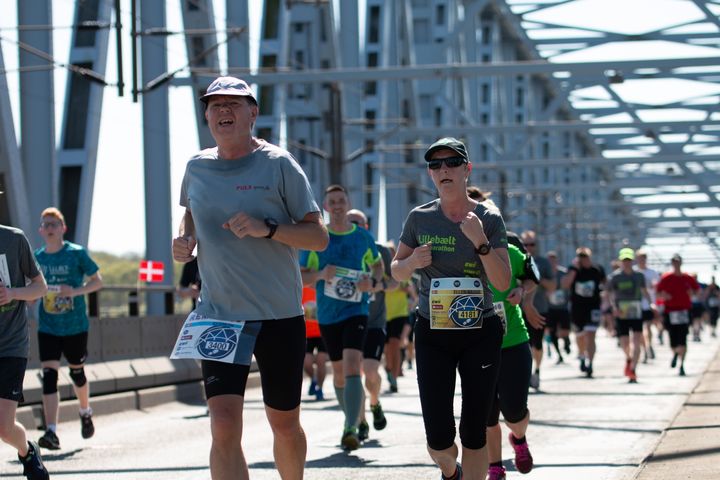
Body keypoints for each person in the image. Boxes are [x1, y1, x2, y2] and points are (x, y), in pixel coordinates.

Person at [172, 75, 328, 480]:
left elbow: (318, 235)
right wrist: (184, 240)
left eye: (234, 104)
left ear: (253, 114)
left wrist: (269, 228)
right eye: (215, 105)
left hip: (278, 315)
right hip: (218, 314)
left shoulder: (278, 164)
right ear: (206, 115)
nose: (223, 111)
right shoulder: (196, 166)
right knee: (222, 425)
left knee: (284, 424)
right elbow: (190, 214)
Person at [391, 137, 511, 480]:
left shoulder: (488, 217)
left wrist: (481, 244)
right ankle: (450, 471)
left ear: (466, 170)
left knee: (474, 432)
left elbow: (503, 284)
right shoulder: (420, 218)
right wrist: (411, 261)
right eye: (435, 165)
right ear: (430, 174)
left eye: (451, 163)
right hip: (433, 332)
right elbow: (395, 270)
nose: (443, 169)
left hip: (480, 332)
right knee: (439, 441)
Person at [299, 186, 384, 451]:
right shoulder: (318, 239)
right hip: (327, 314)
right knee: (338, 373)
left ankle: (350, 427)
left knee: (351, 364)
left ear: (348, 204)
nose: (337, 205)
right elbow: (302, 276)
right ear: (325, 205)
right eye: (332, 201)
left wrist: (373, 281)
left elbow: (378, 265)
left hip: (356, 310)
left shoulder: (362, 237)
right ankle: (352, 419)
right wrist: (321, 274)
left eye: (341, 201)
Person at [34, 207, 103, 450]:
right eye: (46, 225)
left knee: (77, 373)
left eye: (54, 224)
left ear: (63, 228)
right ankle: (51, 431)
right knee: (49, 376)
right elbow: (32, 288)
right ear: (40, 230)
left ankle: (85, 411)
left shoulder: (76, 254)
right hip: (48, 325)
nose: (50, 228)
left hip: (75, 325)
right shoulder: (38, 258)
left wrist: (74, 291)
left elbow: (97, 281)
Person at [0, 206, 50, 479]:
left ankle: (27, 451)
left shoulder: (14, 239)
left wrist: (12, 293)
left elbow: (40, 287)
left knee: (4, 428)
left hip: (10, 344)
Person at [486, 243, 539, 480]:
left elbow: (533, 277)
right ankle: (495, 467)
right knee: (486, 413)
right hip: (476, 347)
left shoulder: (507, 251)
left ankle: (519, 438)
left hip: (513, 341)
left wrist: (522, 291)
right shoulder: (459, 250)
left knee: (514, 412)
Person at [346, 208, 394, 441]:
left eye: (359, 223)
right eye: (350, 223)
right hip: (348, 319)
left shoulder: (381, 251)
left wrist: (376, 286)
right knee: (353, 374)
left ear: (366, 226)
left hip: (374, 321)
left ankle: (374, 403)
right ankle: (361, 421)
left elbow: (396, 283)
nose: (354, 226)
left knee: (371, 372)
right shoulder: (340, 249)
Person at [605, 248, 651, 383]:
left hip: (636, 311)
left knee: (637, 341)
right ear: (620, 261)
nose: (627, 263)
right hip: (622, 312)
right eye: (624, 260)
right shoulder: (615, 277)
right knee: (625, 343)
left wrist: (651, 305)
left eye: (629, 260)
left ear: (632, 261)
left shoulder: (639, 276)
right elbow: (609, 294)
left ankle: (634, 369)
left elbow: (644, 291)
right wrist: (613, 308)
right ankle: (629, 359)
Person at [562, 247, 606, 378]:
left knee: (591, 334)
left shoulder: (597, 270)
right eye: (580, 257)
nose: (583, 259)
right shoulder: (573, 270)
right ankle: (582, 356)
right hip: (577, 308)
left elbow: (605, 284)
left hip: (593, 307)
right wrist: (574, 270)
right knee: (580, 335)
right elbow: (565, 285)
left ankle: (591, 363)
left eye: (585, 256)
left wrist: (605, 296)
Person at [519, 230, 554, 390]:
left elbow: (553, 286)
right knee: (522, 344)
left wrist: (535, 278)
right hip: (517, 309)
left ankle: (537, 371)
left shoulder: (543, 262)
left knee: (537, 343)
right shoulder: (515, 258)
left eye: (531, 244)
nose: (528, 247)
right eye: (525, 244)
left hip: (539, 308)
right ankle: (524, 374)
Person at [656, 254, 700, 376]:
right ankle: (675, 353)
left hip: (684, 311)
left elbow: (698, 291)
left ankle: (682, 365)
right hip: (670, 311)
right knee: (673, 338)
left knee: (683, 338)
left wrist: (692, 294)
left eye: (678, 262)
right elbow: (658, 293)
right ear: (672, 263)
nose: (676, 264)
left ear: (681, 263)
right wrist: (664, 296)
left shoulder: (687, 278)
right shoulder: (666, 278)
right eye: (674, 262)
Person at [634, 249, 660, 361]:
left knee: (648, 327)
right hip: (635, 305)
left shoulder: (652, 273)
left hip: (649, 304)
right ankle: (644, 349)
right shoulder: (633, 272)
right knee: (639, 331)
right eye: (639, 259)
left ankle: (649, 345)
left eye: (643, 259)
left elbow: (657, 288)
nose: (641, 261)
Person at [302, 286, 327, 401]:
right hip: (307, 333)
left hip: (322, 332)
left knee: (321, 361)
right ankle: (314, 379)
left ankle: (319, 388)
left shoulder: (322, 287)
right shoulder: (302, 288)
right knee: (306, 363)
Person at [546, 251, 571, 360]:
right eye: (549, 261)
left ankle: (566, 341)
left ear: (557, 261)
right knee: (552, 332)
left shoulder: (563, 273)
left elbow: (569, 286)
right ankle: (559, 354)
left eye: (553, 260)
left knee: (565, 330)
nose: (552, 262)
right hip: (550, 308)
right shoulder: (545, 274)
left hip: (563, 307)